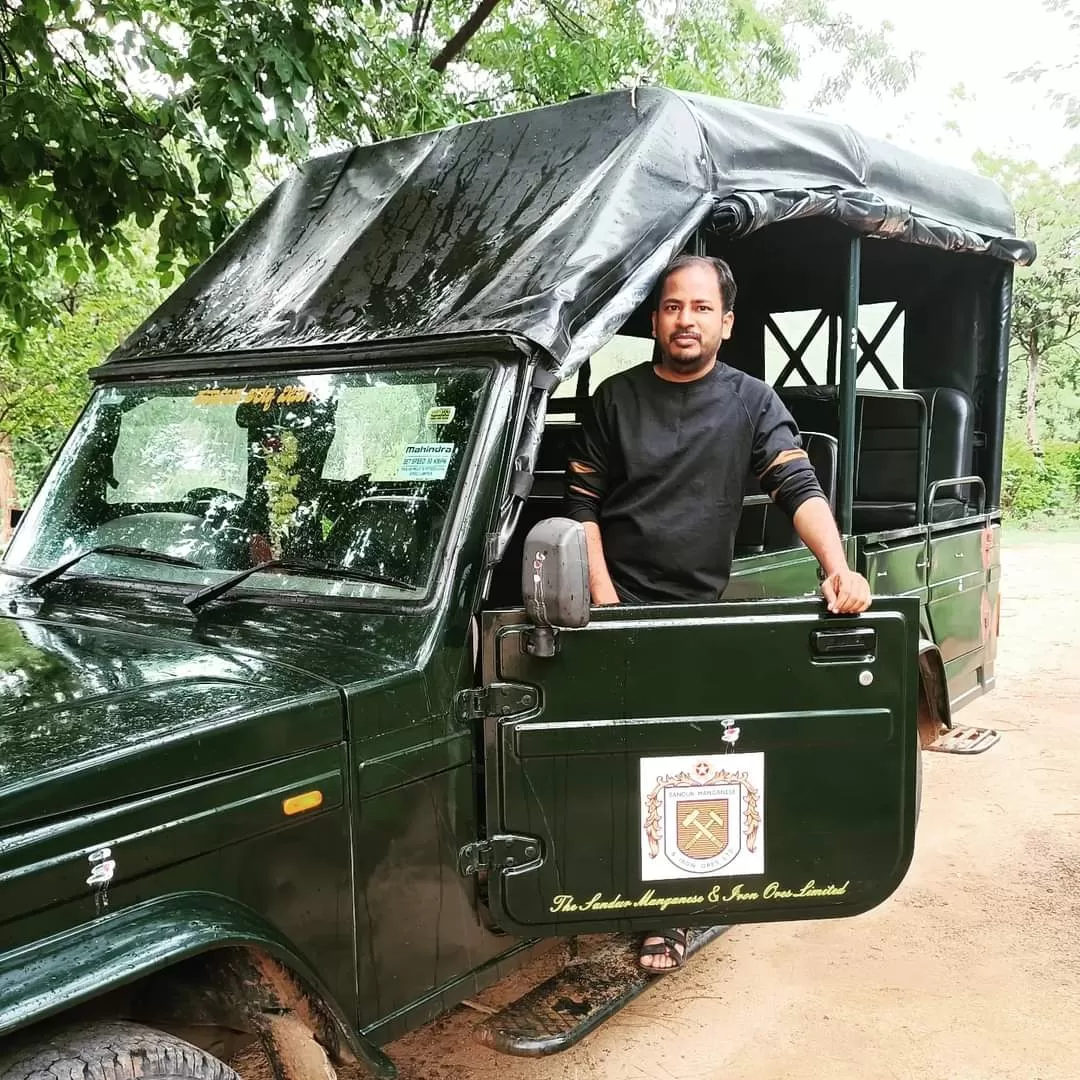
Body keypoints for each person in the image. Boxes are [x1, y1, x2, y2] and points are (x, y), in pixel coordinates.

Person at [563, 253, 872, 973]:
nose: (686, 320)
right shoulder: (614, 399)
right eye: (673, 307)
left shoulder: (752, 403)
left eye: (702, 308)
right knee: (616, 762)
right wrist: (608, 608)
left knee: (691, 766)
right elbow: (582, 510)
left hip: (698, 614)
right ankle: (603, 891)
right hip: (618, 608)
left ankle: (672, 915)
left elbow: (799, 487)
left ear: (726, 324)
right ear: (655, 318)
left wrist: (839, 567)